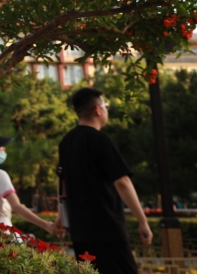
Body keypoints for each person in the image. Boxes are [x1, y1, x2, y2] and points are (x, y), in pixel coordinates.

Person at [57, 88, 152, 274]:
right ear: (98, 110)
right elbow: (122, 182)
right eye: (105, 105)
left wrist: (61, 217)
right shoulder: (101, 140)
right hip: (107, 229)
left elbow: (63, 186)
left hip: (80, 231)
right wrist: (142, 220)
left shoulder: (66, 142)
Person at [0, 131, 61, 236]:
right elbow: (16, 206)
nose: (4, 150)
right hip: (1, 234)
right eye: (1, 147)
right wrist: (45, 225)